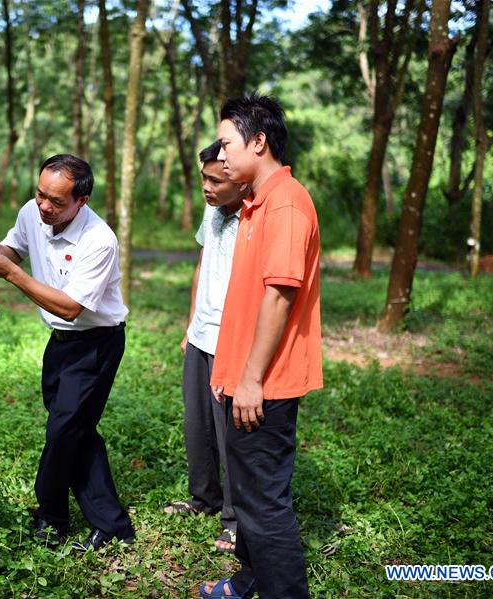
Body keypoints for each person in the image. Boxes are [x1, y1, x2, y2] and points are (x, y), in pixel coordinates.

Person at [0, 154, 135, 553]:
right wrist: (0, 255)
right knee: (75, 430)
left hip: (96, 343)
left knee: (63, 431)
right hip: (60, 343)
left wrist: (12, 274)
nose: (45, 206)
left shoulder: (100, 241)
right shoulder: (34, 212)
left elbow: (69, 307)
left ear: (81, 201)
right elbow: (16, 245)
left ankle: (50, 516)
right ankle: (113, 525)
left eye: (56, 202)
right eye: (41, 194)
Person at [199, 93, 323, 599]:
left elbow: (279, 296)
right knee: (248, 497)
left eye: (227, 144)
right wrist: (226, 374)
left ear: (258, 141)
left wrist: (249, 380)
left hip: (264, 385)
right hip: (240, 377)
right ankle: (249, 579)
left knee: (265, 504)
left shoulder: (287, 202)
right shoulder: (254, 203)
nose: (220, 155)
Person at [163, 141, 249, 554]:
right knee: (197, 426)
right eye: (204, 178)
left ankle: (236, 519)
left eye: (216, 180)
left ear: (241, 180)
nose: (207, 187)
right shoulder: (213, 209)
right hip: (201, 335)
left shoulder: (254, 221)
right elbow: (203, 263)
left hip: (230, 341)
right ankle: (205, 499)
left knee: (230, 433)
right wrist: (190, 322)